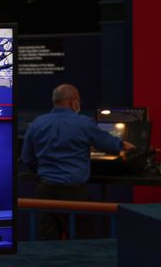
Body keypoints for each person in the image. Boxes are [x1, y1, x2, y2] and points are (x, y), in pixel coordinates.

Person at [21, 84, 135, 240]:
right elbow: (107, 143)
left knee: (45, 243)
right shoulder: (83, 123)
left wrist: (44, 170)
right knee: (82, 242)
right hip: (73, 194)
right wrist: (123, 145)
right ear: (73, 100)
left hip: (44, 191)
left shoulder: (37, 123)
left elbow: (27, 157)